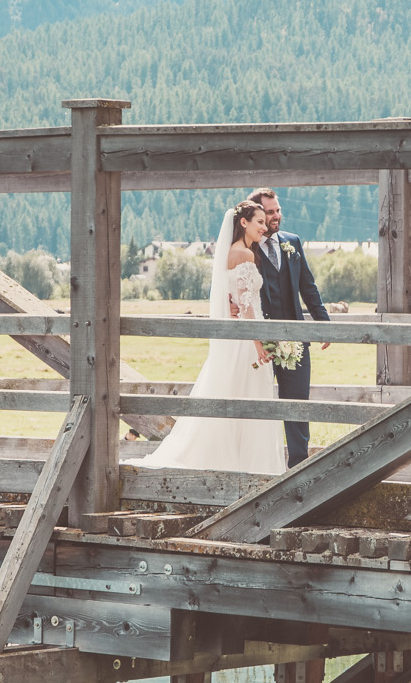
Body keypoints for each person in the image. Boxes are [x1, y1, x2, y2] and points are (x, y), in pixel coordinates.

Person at [129, 200, 288, 475]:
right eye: (259, 222)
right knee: (249, 400)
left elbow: (235, 300)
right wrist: (260, 344)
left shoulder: (232, 253)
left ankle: (233, 464)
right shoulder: (245, 256)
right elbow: (248, 307)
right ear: (243, 223)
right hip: (247, 342)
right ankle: (250, 467)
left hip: (236, 340)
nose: (264, 227)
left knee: (230, 394)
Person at [248, 188, 330, 466]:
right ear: (256, 214)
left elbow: (308, 286)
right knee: (255, 406)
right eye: (269, 212)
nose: (275, 216)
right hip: (258, 343)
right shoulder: (245, 247)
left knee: (297, 407)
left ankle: (298, 468)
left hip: (295, 340)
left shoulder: (292, 242)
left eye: (277, 210)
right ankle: (254, 465)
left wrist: (323, 323)